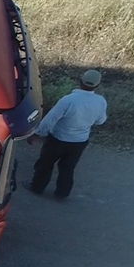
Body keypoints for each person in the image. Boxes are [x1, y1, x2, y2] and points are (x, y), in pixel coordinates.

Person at [26, 69, 107, 199]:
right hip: (80, 142)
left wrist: (37, 134)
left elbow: (51, 119)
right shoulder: (101, 101)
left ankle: (37, 187)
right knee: (68, 168)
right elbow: (100, 121)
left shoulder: (68, 100)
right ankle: (62, 193)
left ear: (80, 81)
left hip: (58, 139)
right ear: (97, 85)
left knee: (45, 164)